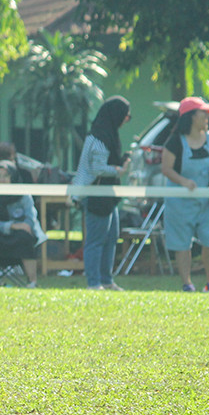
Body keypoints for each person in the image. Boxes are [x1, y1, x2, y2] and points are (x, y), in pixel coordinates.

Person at [161, 97, 209, 292]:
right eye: (202, 113)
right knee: (182, 243)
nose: (207, 117)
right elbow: (166, 168)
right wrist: (184, 181)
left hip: (205, 201)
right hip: (180, 202)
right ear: (190, 117)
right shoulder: (174, 141)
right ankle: (187, 283)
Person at [72, 96, 131, 291]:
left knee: (111, 237)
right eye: (125, 116)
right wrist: (118, 170)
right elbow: (97, 168)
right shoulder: (98, 138)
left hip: (109, 195)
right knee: (95, 240)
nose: (126, 120)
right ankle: (94, 283)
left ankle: (106, 280)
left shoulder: (109, 133)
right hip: (96, 194)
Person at [0, 160, 45, 287]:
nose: (1, 179)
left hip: (18, 234)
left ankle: (32, 282)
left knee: (25, 236)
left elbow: (29, 221)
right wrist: (12, 225)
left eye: (6, 176)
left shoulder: (23, 194)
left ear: (13, 177)